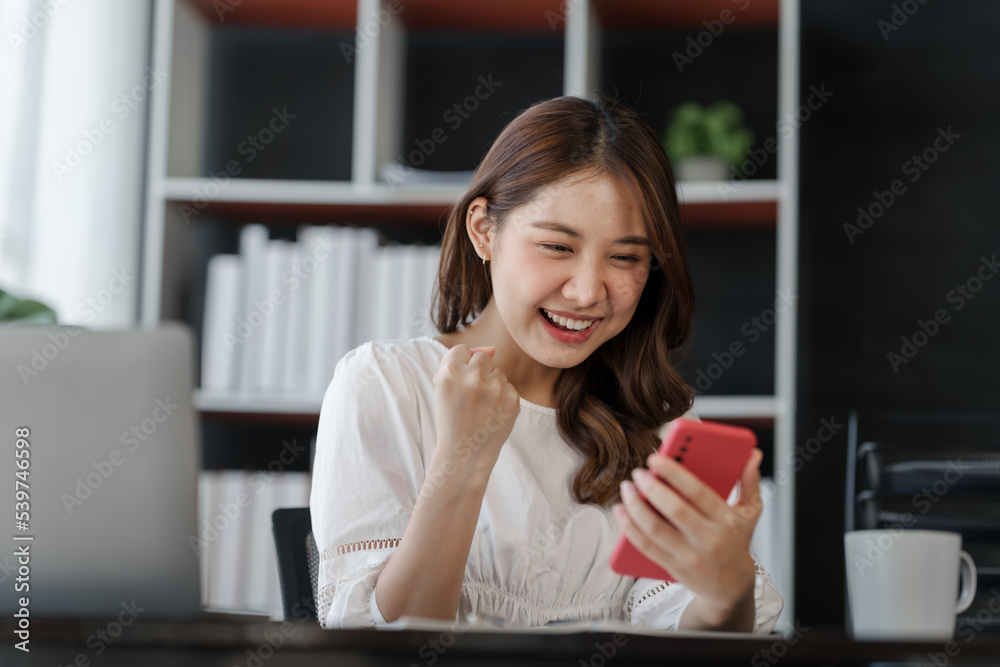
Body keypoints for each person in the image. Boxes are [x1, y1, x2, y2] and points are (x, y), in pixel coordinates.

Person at [309, 95, 783, 632]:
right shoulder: (386, 385)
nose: (586, 293)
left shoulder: (660, 430)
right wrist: (462, 462)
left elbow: (684, 643)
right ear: (485, 231)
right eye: (558, 246)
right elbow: (374, 644)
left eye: (625, 258)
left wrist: (727, 592)